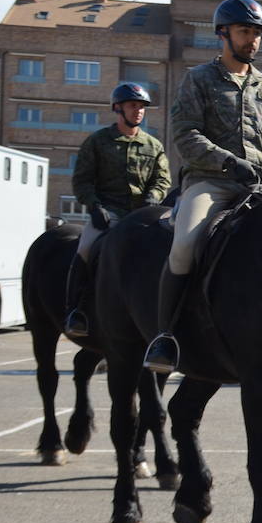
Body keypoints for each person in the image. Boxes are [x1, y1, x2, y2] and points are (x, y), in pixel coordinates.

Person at [143, 0, 262, 373]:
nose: (253, 41)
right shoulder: (198, 79)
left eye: (258, 34)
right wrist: (228, 161)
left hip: (260, 188)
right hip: (210, 184)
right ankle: (165, 337)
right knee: (183, 247)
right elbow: (186, 136)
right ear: (223, 33)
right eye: (246, 32)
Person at [63, 83, 171, 336]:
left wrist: (153, 198)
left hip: (141, 216)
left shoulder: (153, 145)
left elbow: (162, 179)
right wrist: (94, 207)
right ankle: (75, 310)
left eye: (142, 107)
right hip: (108, 213)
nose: (138, 111)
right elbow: (82, 180)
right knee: (86, 248)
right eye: (133, 106)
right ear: (117, 108)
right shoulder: (98, 142)